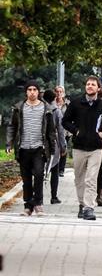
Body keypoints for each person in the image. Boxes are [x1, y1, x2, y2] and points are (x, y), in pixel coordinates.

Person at [62, 76, 102, 221]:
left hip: (96, 148)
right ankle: (81, 204)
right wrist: (76, 131)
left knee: (91, 179)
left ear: (99, 88)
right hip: (79, 147)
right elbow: (65, 121)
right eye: (88, 84)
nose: (90, 86)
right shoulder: (76, 103)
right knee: (79, 178)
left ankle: (89, 208)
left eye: (93, 84)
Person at [6, 80, 56, 216]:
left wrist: (52, 147)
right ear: (26, 92)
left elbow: (51, 130)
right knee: (26, 179)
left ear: (38, 92)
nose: (32, 92)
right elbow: (12, 126)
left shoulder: (46, 109)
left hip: (39, 147)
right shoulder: (19, 108)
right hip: (23, 148)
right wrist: (9, 143)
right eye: (30, 89)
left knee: (39, 175)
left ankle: (38, 203)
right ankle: (28, 205)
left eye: (35, 89)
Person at [42, 89, 67, 204]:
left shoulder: (40, 108)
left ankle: (37, 195)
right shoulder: (56, 111)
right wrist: (63, 146)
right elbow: (61, 131)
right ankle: (54, 196)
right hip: (53, 144)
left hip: (40, 143)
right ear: (53, 98)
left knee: (39, 170)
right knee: (54, 171)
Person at [54, 85, 70, 177]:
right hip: (54, 130)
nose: (59, 93)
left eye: (61, 92)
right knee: (55, 149)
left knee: (63, 148)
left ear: (63, 93)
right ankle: (54, 167)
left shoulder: (67, 104)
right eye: (57, 91)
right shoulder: (52, 104)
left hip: (65, 130)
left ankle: (61, 169)